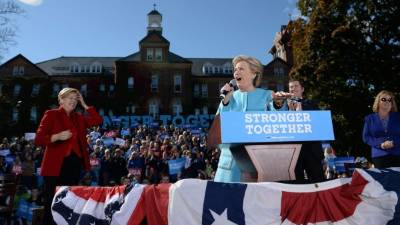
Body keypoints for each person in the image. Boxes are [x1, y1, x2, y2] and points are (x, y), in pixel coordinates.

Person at [35, 87, 103, 225]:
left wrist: (84, 104)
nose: (73, 101)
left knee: (68, 201)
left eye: (75, 99)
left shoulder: (79, 118)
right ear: (61, 100)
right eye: (69, 98)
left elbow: (98, 121)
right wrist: (57, 136)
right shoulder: (51, 114)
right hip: (55, 165)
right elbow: (39, 139)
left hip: (74, 163)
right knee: (52, 201)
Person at [214, 55, 279, 182]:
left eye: (241, 69)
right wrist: (225, 102)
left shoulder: (267, 95)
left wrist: (279, 104)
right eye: (235, 69)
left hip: (257, 163)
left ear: (254, 74)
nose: (236, 72)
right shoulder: (229, 97)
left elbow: (279, 121)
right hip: (229, 166)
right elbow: (217, 128)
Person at [286, 79, 325, 183]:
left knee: (318, 182)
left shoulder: (311, 104)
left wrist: (300, 109)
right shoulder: (284, 107)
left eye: (295, 86)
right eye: (291, 87)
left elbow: (318, 122)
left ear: (302, 89)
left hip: (312, 150)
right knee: (297, 185)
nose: (293, 89)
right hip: (294, 152)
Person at [362, 90, 400, 168]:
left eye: (390, 100)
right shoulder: (369, 119)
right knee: (383, 180)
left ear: (392, 103)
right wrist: (381, 145)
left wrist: (393, 143)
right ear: (378, 102)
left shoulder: (398, 117)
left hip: (397, 154)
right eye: (384, 99)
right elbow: (366, 137)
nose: (387, 101)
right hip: (379, 156)